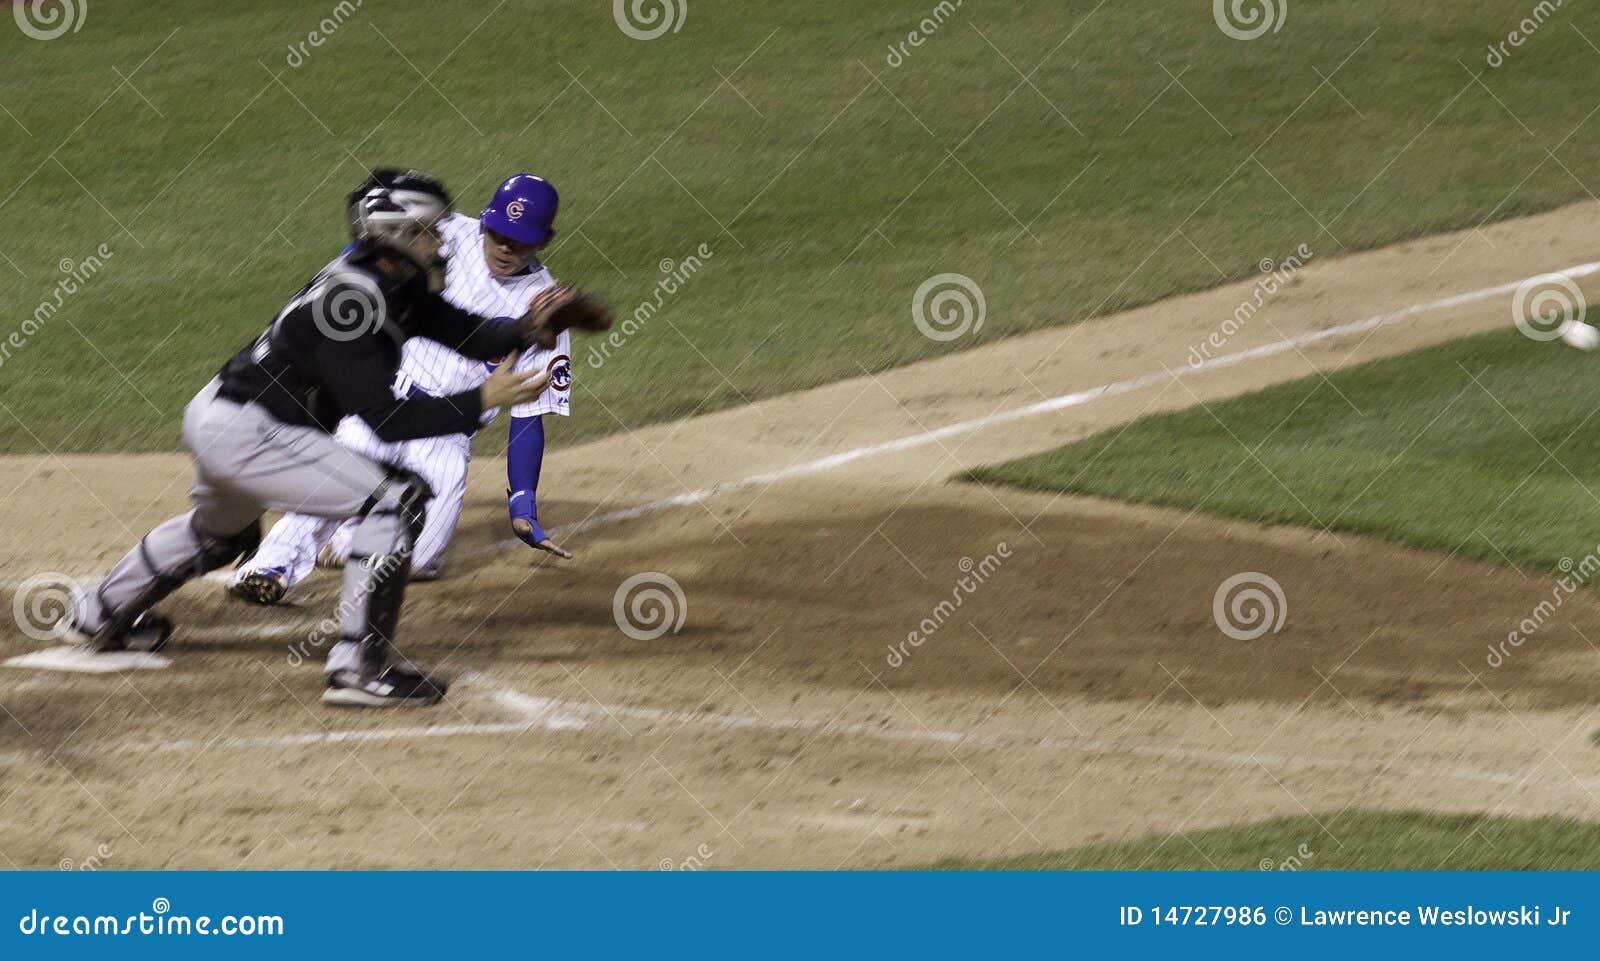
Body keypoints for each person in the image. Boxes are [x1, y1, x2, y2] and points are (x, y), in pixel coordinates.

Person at [63, 169, 555, 708]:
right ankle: (359, 669)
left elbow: (464, 331)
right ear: (393, 235)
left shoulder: (390, 284)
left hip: (227, 417)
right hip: (255, 433)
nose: (441, 243)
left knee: (221, 535)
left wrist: (528, 328)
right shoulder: (351, 306)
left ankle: (100, 612)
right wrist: (482, 401)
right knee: (398, 499)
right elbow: (386, 421)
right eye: (428, 231)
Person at [228, 174, 575, 606]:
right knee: (332, 480)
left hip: (448, 435)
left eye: (519, 242)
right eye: (498, 233)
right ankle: (271, 566)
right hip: (384, 402)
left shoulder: (546, 308)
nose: (504, 247)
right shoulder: (444, 234)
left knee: (420, 560)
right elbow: (369, 257)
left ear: (545, 241)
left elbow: (528, 415)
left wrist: (522, 503)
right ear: (486, 221)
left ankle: (348, 537)